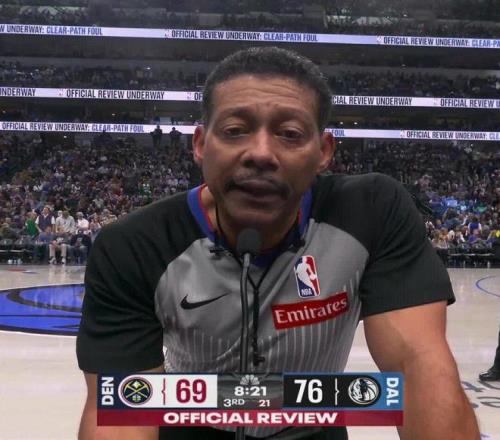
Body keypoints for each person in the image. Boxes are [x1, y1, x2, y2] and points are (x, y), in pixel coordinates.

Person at [77, 47, 480, 440]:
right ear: (200, 144)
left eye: (289, 134)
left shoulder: (373, 212)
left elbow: (417, 365)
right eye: (235, 131)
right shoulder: (133, 245)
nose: (261, 153)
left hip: (314, 429)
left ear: (323, 152)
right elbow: (123, 408)